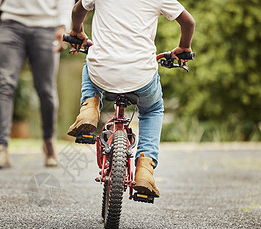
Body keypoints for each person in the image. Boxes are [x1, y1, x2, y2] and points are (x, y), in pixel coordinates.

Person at [67, 0, 195, 197]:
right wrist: (184, 48)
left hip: (102, 71)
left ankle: (89, 110)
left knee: (91, 62)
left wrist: (77, 32)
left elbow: (78, 10)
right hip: (141, 75)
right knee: (152, 110)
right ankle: (145, 168)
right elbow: (188, 22)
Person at [0, 0, 75, 168]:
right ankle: (1, 148)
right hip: (11, 25)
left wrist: (63, 25)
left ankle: (49, 143)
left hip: (47, 27)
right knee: (4, 85)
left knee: (46, 90)